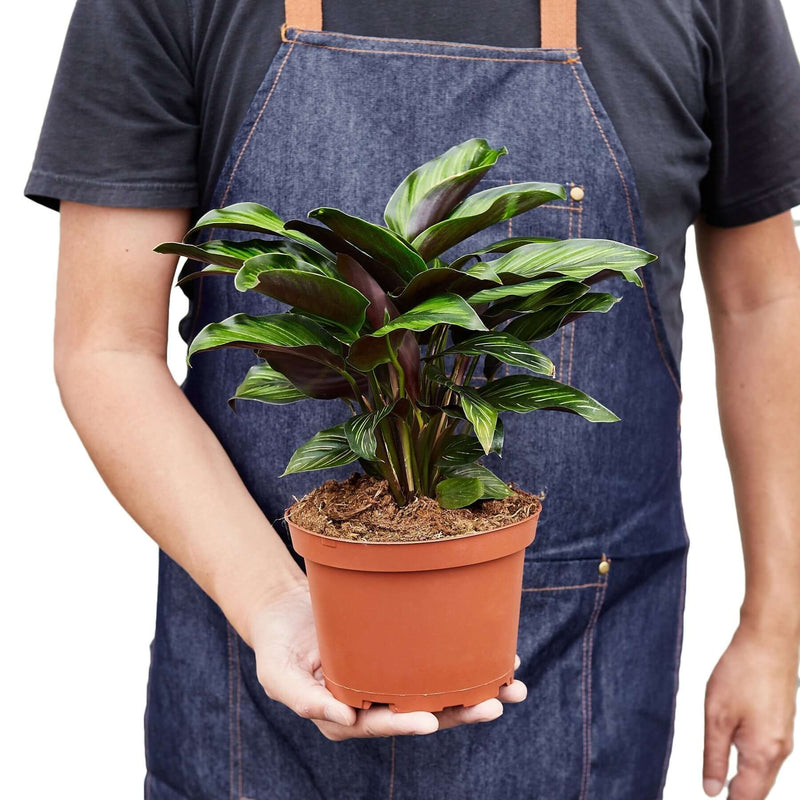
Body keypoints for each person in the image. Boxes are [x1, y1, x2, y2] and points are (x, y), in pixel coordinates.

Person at [26, 0, 800, 797]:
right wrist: (272, 602)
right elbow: (104, 344)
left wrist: (775, 628)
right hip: (258, 678)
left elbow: (761, 301)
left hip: (581, 674)